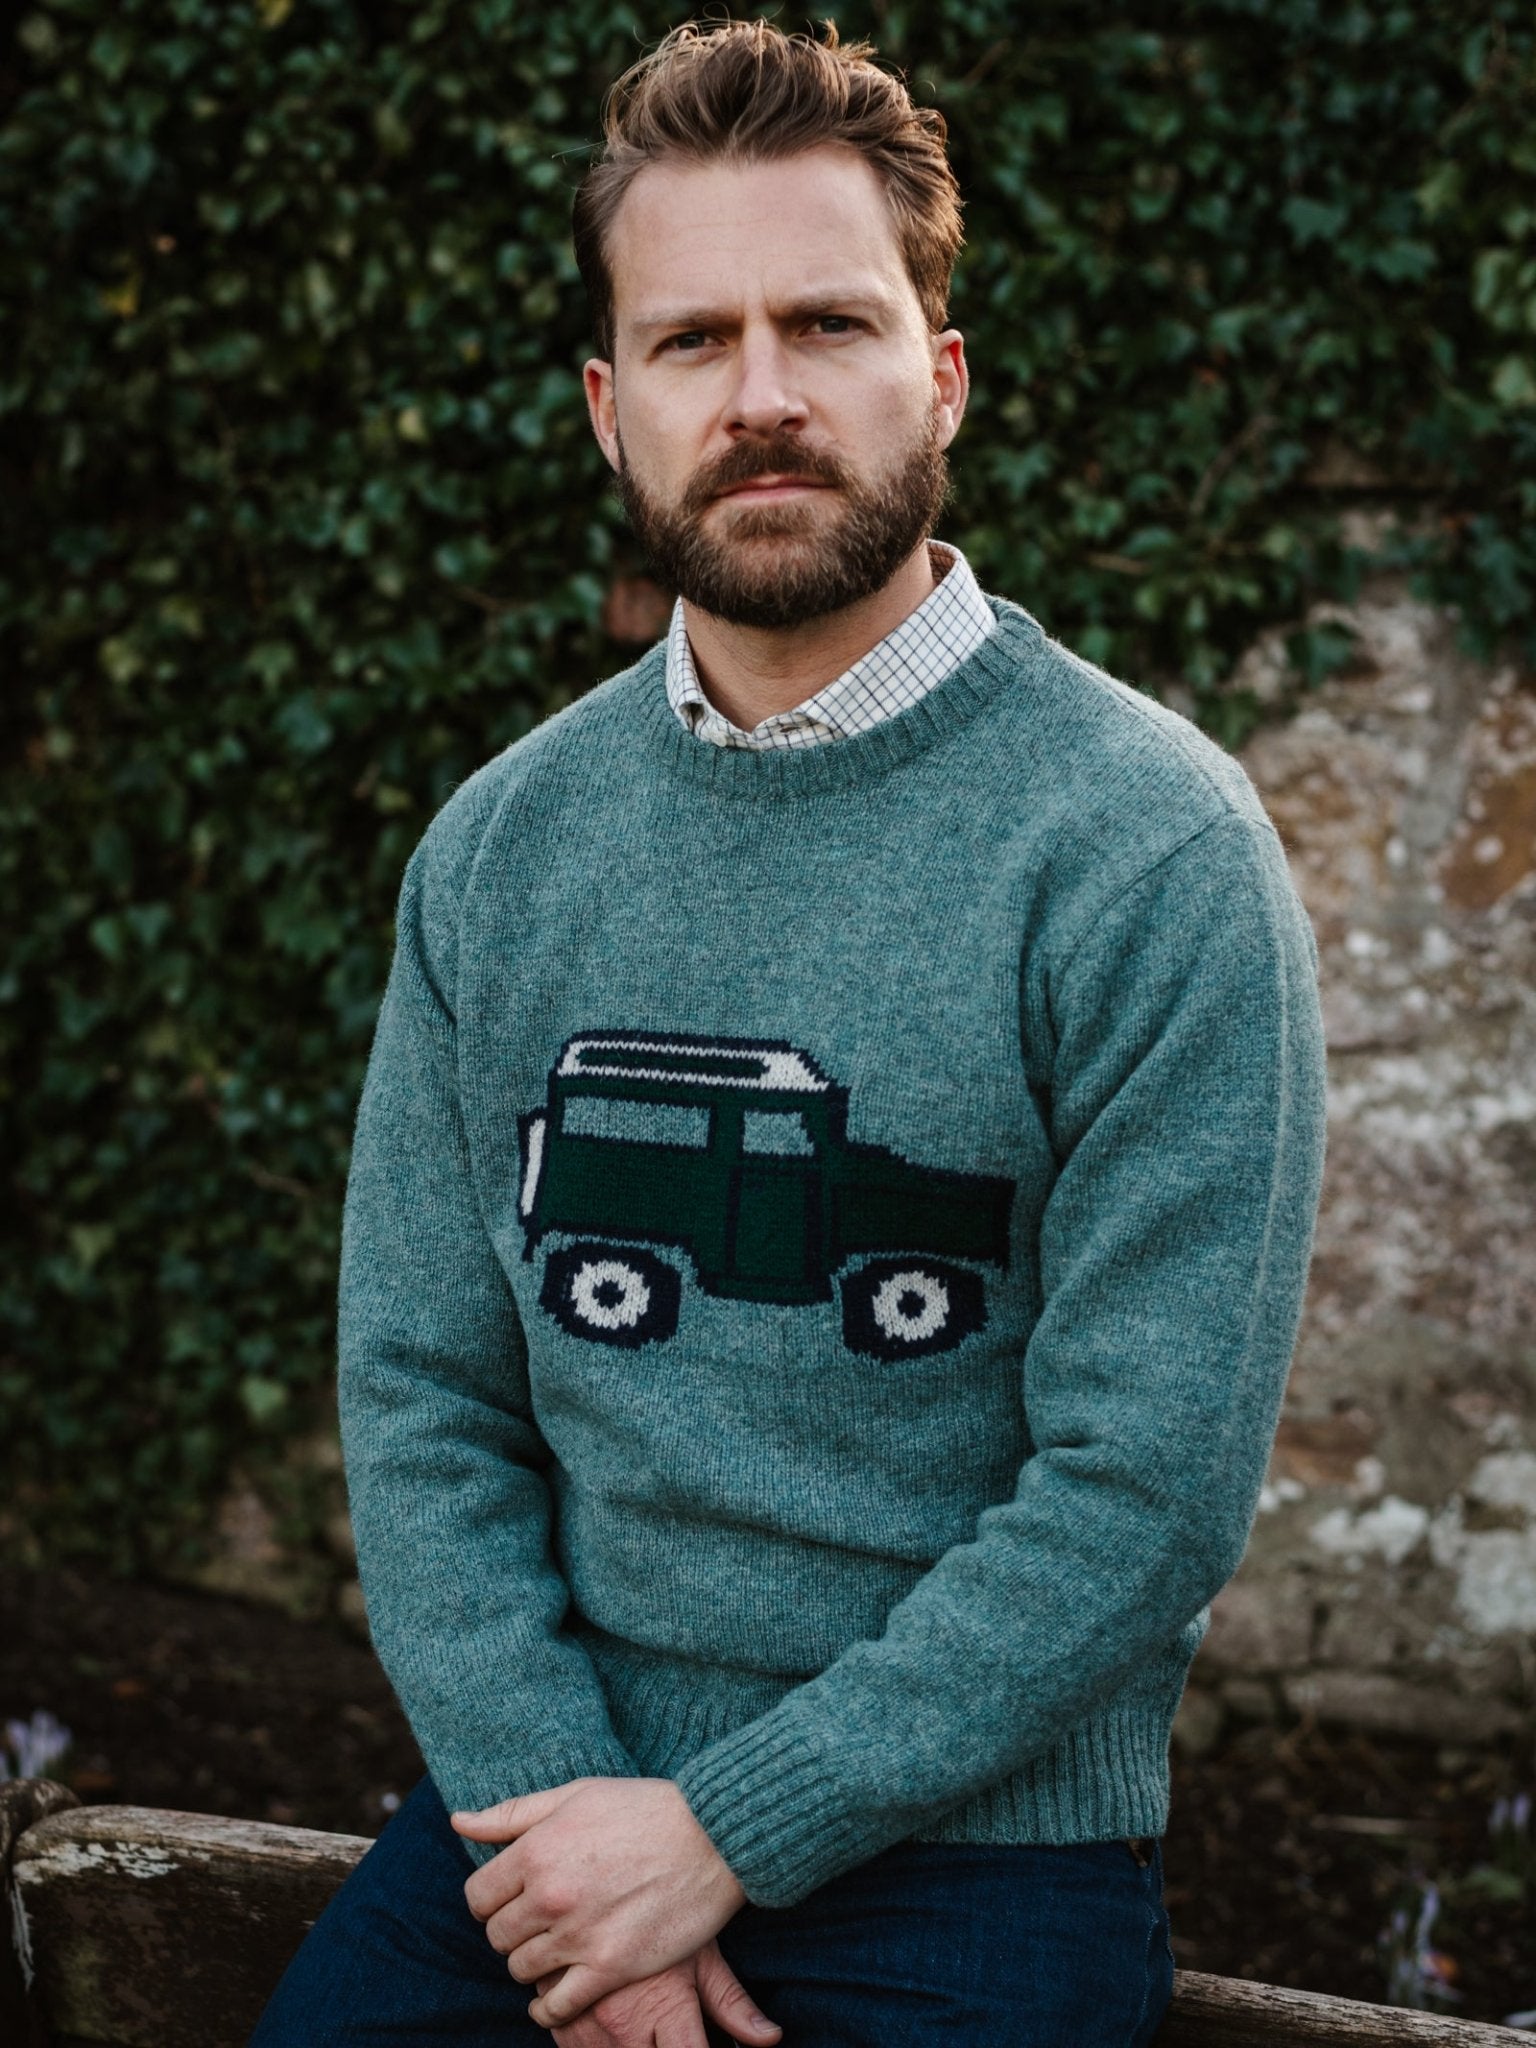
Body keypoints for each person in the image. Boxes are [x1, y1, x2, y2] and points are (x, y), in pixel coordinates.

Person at [250, 18, 1327, 2048]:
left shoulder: (1149, 846)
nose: (758, 398)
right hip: (548, 1814)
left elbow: (1143, 1489)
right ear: (607, 407)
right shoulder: (503, 849)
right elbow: (419, 1393)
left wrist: (726, 1834)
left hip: (980, 1859)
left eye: (825, 323)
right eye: (690, 342)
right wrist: (577, 1829)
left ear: (940, 372)